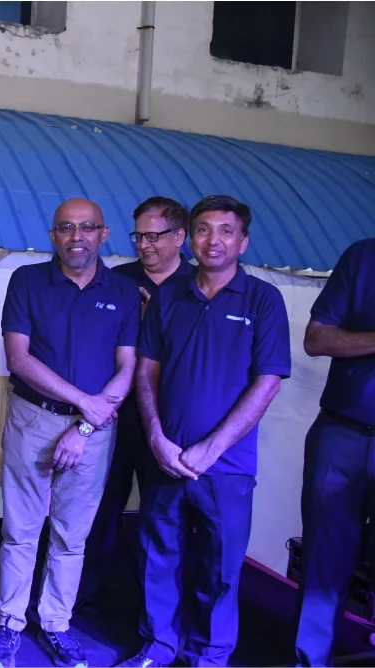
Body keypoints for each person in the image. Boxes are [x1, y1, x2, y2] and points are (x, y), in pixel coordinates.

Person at [117, 195, 291, 668]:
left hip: (228, 465)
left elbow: (267, 383)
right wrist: (156, 437)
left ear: (243, 241)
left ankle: (209, 657)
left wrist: (212, 448)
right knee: (158, 557)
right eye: (203, 229)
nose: (213, 240)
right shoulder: (169, 295)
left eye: (226, 231)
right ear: (189, 238)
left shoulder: (263, 300)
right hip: (166, 458)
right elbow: (146, 371)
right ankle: (158, 646)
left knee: (220, 569)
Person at [0, 198, 140, 668]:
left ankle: (55, 622)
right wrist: (85, 403)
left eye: (87, 227)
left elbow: (127, 367)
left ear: (103, 233)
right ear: (53, 235)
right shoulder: (27, 281)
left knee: (72, 536)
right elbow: (19, 359)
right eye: (66, 228)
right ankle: (8, 622)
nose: (77, 237)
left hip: (93, 430)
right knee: (20, 531)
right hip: (33, 419)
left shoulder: (123, 291)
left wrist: (86, 422)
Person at [79, 196, 194, 607]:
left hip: (170, 424)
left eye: (154, 236)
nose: (144, 244)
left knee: (162, 519)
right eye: (139, 236)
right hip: (115, 416)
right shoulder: (118, 280)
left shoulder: (199, 285)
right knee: (99, 507)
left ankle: (155, 611)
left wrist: (154, 327)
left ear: (180, 237)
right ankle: (80, 597)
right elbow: (96, 346)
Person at [293, 237, 375, 667]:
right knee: (324, 559)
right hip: (342, 432)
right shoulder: (364, 256)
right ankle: (310, 660)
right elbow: (317, 338)